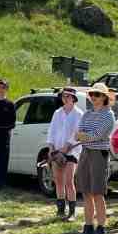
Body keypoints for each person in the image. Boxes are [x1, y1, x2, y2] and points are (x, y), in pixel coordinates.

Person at [74, 83, 116, 234]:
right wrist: (84, 136)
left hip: (99, 154)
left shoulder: (108, 115)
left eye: (97, 95)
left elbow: (97, 135)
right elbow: (78, 134)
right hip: (86, 153)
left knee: (98, 193)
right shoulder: (87, 114)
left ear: (105, 97)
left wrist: (83, 135)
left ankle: (101, 229)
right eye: (92, 94)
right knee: (86, 192)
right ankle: (88, 226)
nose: (93, 97)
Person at [47, 87, 84, 220]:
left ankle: (72, 212)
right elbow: (52, 131)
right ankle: (60, 210)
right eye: (64, 96)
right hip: (57, 150)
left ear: (74, 98)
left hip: (72, 152)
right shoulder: (57, 112)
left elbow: (77, 135)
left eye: (68, 96)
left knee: (69, 181)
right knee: (58, 181)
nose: (66, 98)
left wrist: (65, 149)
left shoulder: (78, 113)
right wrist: (51, 148)